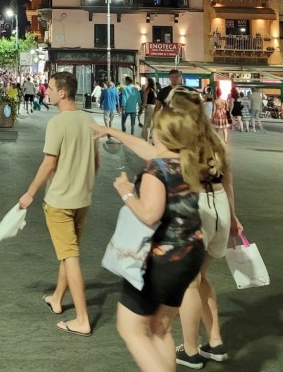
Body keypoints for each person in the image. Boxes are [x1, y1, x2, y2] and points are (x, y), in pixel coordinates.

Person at [90, 98, 215, 372]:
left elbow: (149, 214)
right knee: (161, 329)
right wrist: (111, 131)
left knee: (131, 328)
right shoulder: (187, 160)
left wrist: (124, 190)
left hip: (161, 260)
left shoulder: (155, 169)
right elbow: (149, 151)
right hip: (190, 253)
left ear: (161, 132)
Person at [19, 71, 99, 336]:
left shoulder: (57, 123)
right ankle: (56, 298)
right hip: (82, 199)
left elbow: (48, 163)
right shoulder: (89, 120)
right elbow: (95, 164)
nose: (47, 91)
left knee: (70, 256)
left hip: (60, 200)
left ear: (62, 92)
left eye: (51, 88)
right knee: (70, 251)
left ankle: (82, 318)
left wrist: (30, 193)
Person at [168, 90, 242, 368]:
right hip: (220, 205)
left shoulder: (182, 141)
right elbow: (228, 182)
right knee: (200, 277)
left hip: (198, 207)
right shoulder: (215, 141)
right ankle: (215, 342)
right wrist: (233, 217)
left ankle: (190, 350)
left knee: (189, 282)